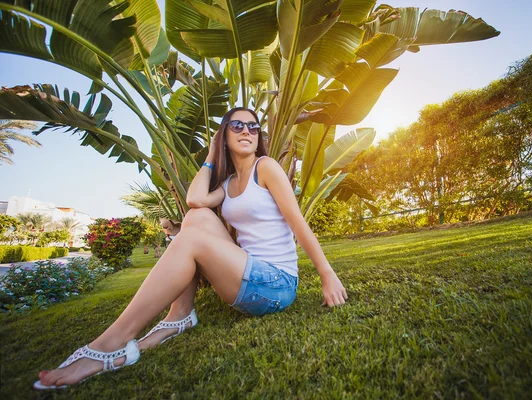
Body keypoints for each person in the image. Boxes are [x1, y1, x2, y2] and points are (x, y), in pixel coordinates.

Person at [34, 107, 348, 390]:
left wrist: (327, 274)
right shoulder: (227, 185)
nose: (246, 131)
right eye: (236, 126)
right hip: (248, 271)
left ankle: (111, 343)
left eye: (253, 127)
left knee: (190, 238)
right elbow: (195, 200)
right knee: (196, 217)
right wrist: (212, 154)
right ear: (224, 135)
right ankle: (180, 315)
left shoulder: (266, 167)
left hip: (276, 285)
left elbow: (297, 223)